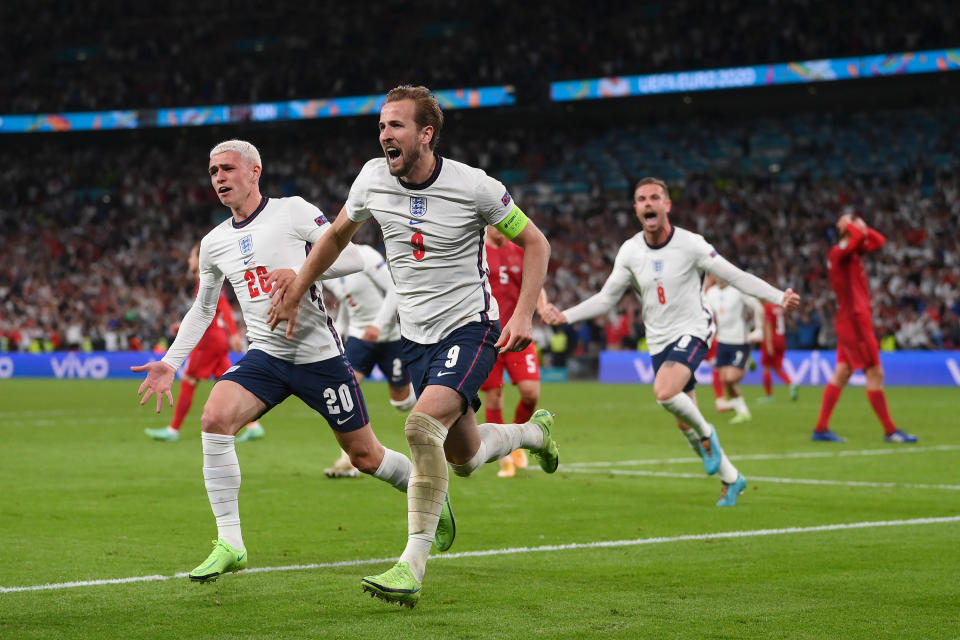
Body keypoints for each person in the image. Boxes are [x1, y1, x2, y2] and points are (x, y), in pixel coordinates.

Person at [267, 85, 559, 608]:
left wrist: (522, 313)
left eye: (396, 125)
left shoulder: (476, 187)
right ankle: (533, 433)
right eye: (381, 126)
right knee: (464, 457)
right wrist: (297, 289)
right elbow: (335, 236)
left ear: (425, 134)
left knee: (420, 426)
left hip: (471, 327)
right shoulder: (373, 178)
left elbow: (536, 241)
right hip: (416, 336)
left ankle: (412, 564)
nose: (385, 135)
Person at [131, 139, 453, 584]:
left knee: (365, 456)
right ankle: (230, 543)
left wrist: (303, 274)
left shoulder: (293, 211)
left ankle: (429, 487)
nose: (219, 178)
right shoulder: (214, 242)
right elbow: (204, 308)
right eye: (212, 172)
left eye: (227, 169)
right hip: (266, 355)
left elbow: (355, 258)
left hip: (320, 357)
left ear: (254, 171)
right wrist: (170, 361)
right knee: (214, 417)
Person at [542, 177, 799, 508]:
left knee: (665, 392)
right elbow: (607, 298)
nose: (648, 203)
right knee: (682, 418)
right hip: (659, 339)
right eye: (641, 199)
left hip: (695, 328)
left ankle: (709, 437)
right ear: (636, 209)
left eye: (655, 197)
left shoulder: (691, 244)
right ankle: (732, 479)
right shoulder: (631, 251)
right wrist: (566, 315)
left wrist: (778, 297)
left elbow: (735, 275)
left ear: (667, 205)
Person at [812, 214, 917, 443]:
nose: (859, 225)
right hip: (855, 321)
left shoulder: (850, 251)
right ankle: (890, 431)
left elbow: (880, 241)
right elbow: (862, 237)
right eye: (854, 221)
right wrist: (850, 224)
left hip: (850, 320)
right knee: (875, 373)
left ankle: (820, 429)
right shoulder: (841, 252)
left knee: (841, 373)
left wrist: (860, 226)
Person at [144, 243, 264, 443]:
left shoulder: (204, 279)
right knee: (233, 382)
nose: (189, 261)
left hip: (208, 342)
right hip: (218, 340)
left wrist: (234, 333)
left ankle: (173, 430)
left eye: (191, 257)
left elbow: (222, 305)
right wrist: (183, 326)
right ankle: (254, 425)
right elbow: (209, 311)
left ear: (199, 260)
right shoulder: (209, 279)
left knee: (189, 381)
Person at [323, 243, 417, 478]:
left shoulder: (365, 255)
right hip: (360, 338)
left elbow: (394, 289)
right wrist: (339, 331)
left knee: (402, 402)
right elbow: (346, 303)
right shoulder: (327, 270)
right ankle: (349, 458)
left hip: (390, 336)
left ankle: (432, 406)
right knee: (346, 391)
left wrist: (378, 325)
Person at [480, 226, 550, 478]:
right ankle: (503, 457)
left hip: (519, 334)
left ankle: (517, 440)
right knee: (494, 398)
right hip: (489, 337)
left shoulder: (519, 251)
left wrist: (542, 307)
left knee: (531, 394)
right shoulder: (477, 251)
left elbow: (536, 284)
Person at [703, 274, 764, 423]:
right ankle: (743, 412)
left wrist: (759, 329)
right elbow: (705, 313)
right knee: (725, 379)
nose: (720, 278)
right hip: (723, 341)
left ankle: (748, 361)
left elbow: (758, 307)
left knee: (731, 377)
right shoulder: (711, 293)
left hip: (740, 341)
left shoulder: (738, 290)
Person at [757, 300, 798, 403]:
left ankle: (769, 396)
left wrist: (769, 344)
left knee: (766, 368)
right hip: (781, 339)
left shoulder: (767, 307)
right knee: (777, 368)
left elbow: (768, 325)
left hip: (771, 339)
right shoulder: (777, 307)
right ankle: (791, 384)